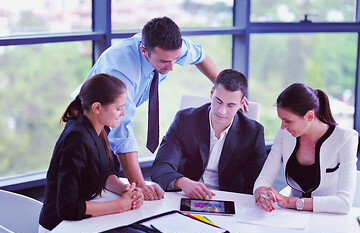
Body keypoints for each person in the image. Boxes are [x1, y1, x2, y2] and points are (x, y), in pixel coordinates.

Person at [72, 16, 224, 201]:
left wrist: (222, 89)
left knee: (115, 185)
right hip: (90, 118)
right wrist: (141, 186)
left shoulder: (170, 48)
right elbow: (122, 133)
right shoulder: (121, 71)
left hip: (113, 117)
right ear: (144, 50)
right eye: (164, 62)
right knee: (92, 186)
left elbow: (200, 55)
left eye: (175, 59)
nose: (172, 67)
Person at [38, 74, 144, 233]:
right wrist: (120, 205)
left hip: (81, 223)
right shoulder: (76, 139)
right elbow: (67, 208)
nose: (123, 113)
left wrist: (126, 191)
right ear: (97, 107)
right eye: (118, 108)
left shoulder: (99, 128)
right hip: (59, 229)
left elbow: (106, 173)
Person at [151, 69, 267, 199]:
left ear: (241, 104)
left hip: (229, 200)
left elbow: (257, 182)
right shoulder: (185, 120)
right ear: (212, 93)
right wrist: (183, 182)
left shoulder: (253, 132)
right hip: (185, 196)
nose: (222, 111)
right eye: (218, 101)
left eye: (231, 105)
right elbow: (160, 167)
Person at [254, 83, 358, 214]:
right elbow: (264, 178)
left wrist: (290, 202)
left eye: (288, 121)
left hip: (328, 218)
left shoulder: (346, 138)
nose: (282, 127)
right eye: (281, 120)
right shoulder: (285, 134)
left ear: (309, 116)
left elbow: (344, 203)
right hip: (292, 218)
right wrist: (260, 192)